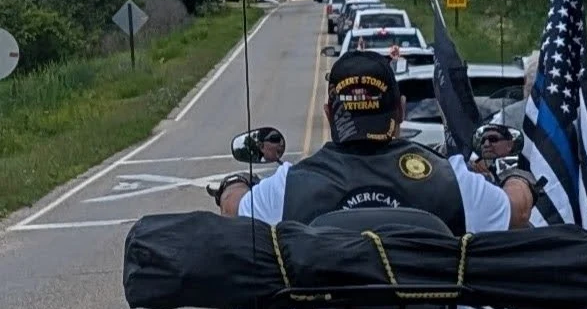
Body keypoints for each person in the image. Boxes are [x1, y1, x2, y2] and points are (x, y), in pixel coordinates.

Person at [214, 50, 535, 233]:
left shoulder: (289, 188)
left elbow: (235, 209)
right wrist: (517, 177)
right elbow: (517, 211)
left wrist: (236, 182)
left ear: (329, 114)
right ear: (401, 109)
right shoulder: (452, 180)